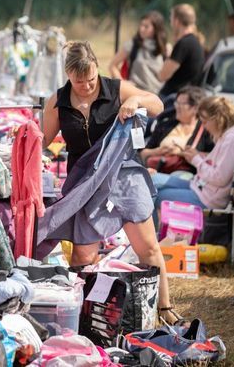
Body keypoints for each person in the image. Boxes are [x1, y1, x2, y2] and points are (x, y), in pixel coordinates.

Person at [42, 41, 187, 325]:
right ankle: (84, 318)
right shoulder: (57, 101)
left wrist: (136, 101)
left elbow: (156, 103)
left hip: (124, 178)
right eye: (79, 81)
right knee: (83, 256)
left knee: (147, 247)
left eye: (91, 79)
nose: (86, 86)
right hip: (84, 185)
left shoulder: (115, 89)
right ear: (69, 75)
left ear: (97, 69)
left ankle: (165, 309)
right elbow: (41, 140)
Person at [152, 96, 234, 217]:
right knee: (152, 181)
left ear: (218, 119)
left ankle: (148, 235)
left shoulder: (232, 140)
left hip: (207, 198)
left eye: (205, 121)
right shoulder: (228, 136)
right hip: (200, 187)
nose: (204, 126)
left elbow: (220, 178)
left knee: (156, 196)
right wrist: (197, 155)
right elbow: (218, 164)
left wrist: (196, 160)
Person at [140, 86, 214, 172]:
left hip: (188, 175)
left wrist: (184, 154)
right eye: (176, 103)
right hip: (157, 169)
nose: (176, 107)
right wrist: (157, 151)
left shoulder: (206, 130)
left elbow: (214, 156)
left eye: (181, 104)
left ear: (195, 108)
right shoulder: (165, 125)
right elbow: (142, 154)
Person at [108, 11, 169, 94]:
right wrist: (123, 83)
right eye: (141, 25)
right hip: (136, 93)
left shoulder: (166, 48)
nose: (142, 29)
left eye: (146, 26)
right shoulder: (132, 45)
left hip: (158, 96)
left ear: (156, 28)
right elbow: (112, 65)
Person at [158, 4, 205, 98]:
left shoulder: (184, 44)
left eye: (171, 19)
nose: (170, 23)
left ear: (177, 21)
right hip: (183, 97)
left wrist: (167, 57)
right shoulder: (195, 42)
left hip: (173, 98)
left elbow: (162, 76)